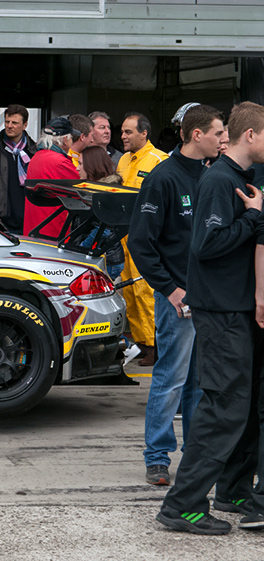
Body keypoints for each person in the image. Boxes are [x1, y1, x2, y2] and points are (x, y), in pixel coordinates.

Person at [157, 101, 264, 535]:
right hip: (219, 312)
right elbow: (206, 245)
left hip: (234, 308)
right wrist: (254, 219)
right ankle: (182, 505)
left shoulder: (240, 178)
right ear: (251, 136)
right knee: (224, 408)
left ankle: (232, 490)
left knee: (240, 404)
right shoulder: (221, 180)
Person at [127, 105, 225, 487]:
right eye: (218, 133)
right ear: (196, 135)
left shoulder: (212, 175)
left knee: (199, 383)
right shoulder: (163, 178)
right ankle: (156, 457)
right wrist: (170, 290)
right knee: (170, 379)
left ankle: (195, 457)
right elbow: (140, 242)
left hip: (207, 299)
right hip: (177, 300)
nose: (223, 139)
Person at [118, 112, 168, 366]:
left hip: (148, 237)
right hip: (125, 238)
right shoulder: (124, 161)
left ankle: (157, 345)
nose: (123, 136)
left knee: (147, 291)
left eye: (128, 132)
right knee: (130, 291)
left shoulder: (160, 160)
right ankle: (142, 344)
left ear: (144, 133)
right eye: (123, 132)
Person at [0, 104, 37, 234]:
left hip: (28, 220)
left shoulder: (33, 151)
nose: (9, 125)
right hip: (0, 221)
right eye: (7, 121)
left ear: (25, 125)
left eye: (15, 123)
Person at [23, 117, 80, 237]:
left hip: (34, 227)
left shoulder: (36, 157)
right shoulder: (59, 162)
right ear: (65, 139)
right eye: (72, 138)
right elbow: (82, 188)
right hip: (53, 230)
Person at [77, 145, 125, 280]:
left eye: (80, 164)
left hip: (105, 260)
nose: (77, 168)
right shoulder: (95, 190)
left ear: (92, 166)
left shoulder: (106, 193)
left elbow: (103, 230)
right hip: (104, 258)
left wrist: (80, 249)